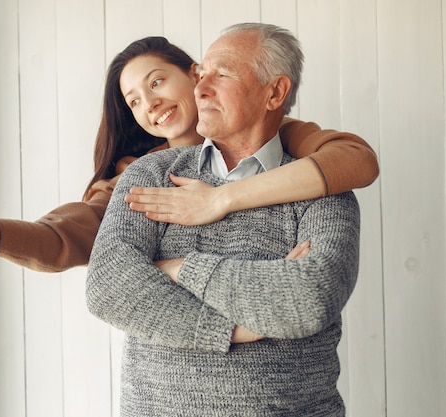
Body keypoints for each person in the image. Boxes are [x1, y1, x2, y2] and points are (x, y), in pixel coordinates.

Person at [0, 35, 376, 273]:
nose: (149, 103)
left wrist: (222, 199)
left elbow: (356, 158)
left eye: (156, 82)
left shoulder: (282, 135)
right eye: (133, 100)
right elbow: (61, 239)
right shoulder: (140, 179)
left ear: (196, 74)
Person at [86, 23, 360, 416]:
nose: (200, 87)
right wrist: (240, 328)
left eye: (222, 74)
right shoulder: (150, 175)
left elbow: (308, 301)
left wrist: (179, 269)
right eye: (202, 74)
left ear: (275, 92)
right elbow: (108, 287)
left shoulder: (322, 189)